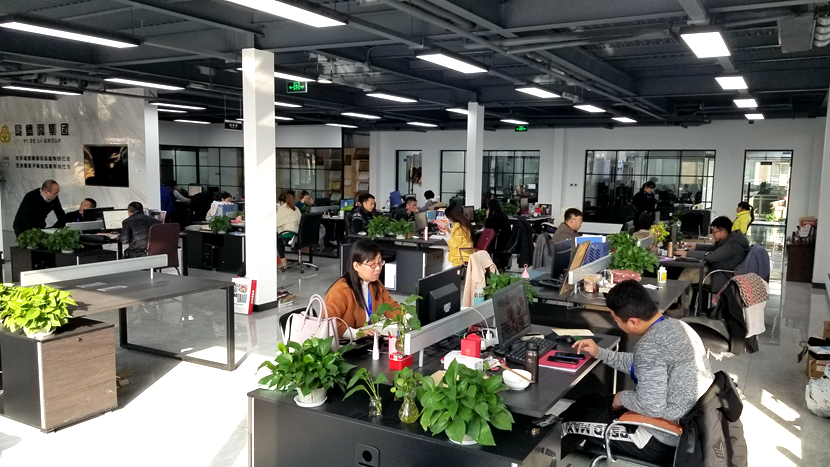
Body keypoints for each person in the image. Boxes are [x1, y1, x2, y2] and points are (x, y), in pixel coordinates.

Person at [561, 280, 714, 465]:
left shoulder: (651, 344)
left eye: (616, 320)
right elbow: (642, 364)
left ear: (633, 321)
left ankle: (544, 455)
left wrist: (621, 398)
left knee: (569, 424)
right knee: (588, 402)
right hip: (681, 419)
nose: (616, 323)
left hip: (660, 436)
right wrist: (599, 352)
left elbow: (651, 407)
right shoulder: (676, 326)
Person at [324, 240, 400, 338]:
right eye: (372, 264)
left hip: (368, 337)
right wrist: (356, 333)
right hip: (346, 342)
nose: (378, 268)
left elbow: (391, 306)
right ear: (356, 266)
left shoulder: (375, 283)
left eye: (380, 262)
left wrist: (407, 318)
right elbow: (327, 322)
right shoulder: (341, 290)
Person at [675, 216, 749, 292]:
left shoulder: (732, 245)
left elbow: (713, 256)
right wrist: (695, 246)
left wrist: (687, 253)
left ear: (724, 232)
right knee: (690, 272)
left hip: (723, 278)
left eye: (714, 232)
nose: (712, 235)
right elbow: (713, 248)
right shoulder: (729, 240)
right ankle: (679, 297)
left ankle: (676, 295)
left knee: (688, 276)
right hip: (717, 272)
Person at [276, 193, 301, 269]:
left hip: (288, 235)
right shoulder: (296, 209)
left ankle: (283, 262)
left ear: (281, 202)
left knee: (277, 239)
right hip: (296, 234)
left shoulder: (282, 209)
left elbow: (276, 222)